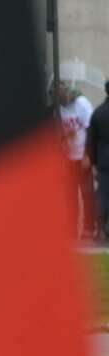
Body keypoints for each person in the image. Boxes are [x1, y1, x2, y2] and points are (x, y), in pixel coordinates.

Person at [58, 82, 96, 239]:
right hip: (68, 158)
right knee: (70, 196)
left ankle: (89, 228)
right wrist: (65, 138)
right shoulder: (58, 108)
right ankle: (72, 230)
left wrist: (88, 155)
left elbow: (92, 129)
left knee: (87, 194)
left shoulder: (81, 103)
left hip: (82, 156)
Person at [88, 80, 109, 240]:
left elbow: (91, 142)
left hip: (103, 161)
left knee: (103, 195)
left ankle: (101, 231)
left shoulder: (98, 113)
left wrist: (94, 163)